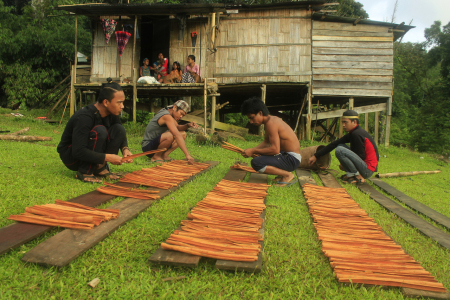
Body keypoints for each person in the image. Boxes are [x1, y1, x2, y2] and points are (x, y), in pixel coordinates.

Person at [57, 80, 133, 183]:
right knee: (100, 131)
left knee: (118, 128)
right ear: (106, 102)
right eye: (119, 102)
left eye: (122, 102)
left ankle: (99, 168)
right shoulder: (84, 117)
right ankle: (85, 171)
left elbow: (118, 130)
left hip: (87, 151)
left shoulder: (112, 113)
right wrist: (107, 157)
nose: (122, 106)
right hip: (71, 156)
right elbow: (78, 151)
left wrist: (125, 149)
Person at [241, 97, 301, 187]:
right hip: (287, 155)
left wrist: (253, 151)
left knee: (256, 162)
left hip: (291, 159)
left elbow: (275, 150)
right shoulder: (271, 121)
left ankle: (287, 175)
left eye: (252, 118)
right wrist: (252, 150)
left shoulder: (271, 123)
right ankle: (282, 174)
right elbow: (266, 142)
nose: (251, 121)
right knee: (260, 156)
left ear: (260, 113)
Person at [308, 110, 379, 184]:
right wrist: (316, 155)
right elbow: (335, 143)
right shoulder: (354, 133)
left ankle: (357, 176)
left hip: (367, 169)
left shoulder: (356, 134)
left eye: (346, 122)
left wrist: (347, 165)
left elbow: (361, 156)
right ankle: (352, 174)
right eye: (342, 122)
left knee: (340, 150)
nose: (343, 125)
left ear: (354, 122)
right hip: (366, 167)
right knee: (340, 145)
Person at [141, 100, 198, 164]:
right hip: (148, 148)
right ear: (174, 108)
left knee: (183, 134)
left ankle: (164, 155)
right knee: (170, 135)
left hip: (156, 145)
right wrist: (187, 155)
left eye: (183, 115)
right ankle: (155, 157)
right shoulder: (166, 116)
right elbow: (176, 135)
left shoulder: (169, 115)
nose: (181, 116)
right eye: (181, 113)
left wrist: (188, 125)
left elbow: (178, 127)